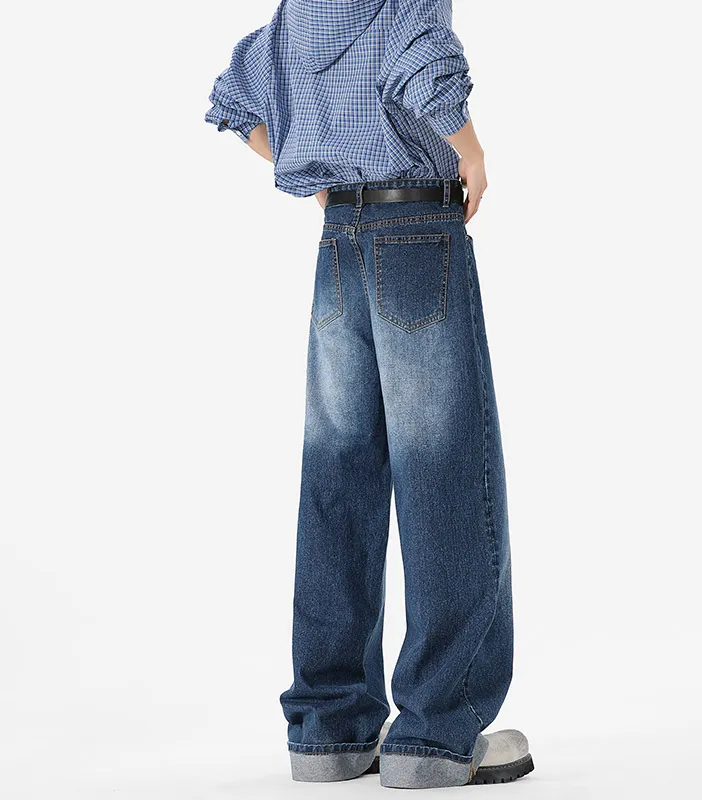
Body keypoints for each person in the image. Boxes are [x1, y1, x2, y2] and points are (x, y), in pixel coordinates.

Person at [205, 0, 531, 789]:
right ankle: (436, 734)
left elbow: (236, 96)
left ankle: (329, 731)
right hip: (418, 230)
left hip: (340, 244)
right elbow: (421, 59)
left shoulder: (301, 11)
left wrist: (311, 171)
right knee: (444, 473)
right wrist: (470, 151)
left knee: (339, 479)